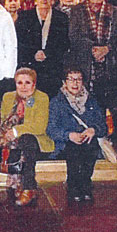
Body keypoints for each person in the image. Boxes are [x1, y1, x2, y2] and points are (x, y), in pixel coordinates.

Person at [47, 66, 107, 202]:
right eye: (71, 80)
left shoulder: (92, 101)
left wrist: (93, 130)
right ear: (64, 82)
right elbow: (51, 129)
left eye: (79, 80)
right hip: (66, 142)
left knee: (90, 147)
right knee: (74, 150)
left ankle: (85, 184)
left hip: (88, 141)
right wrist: (69, 135)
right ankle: (73, 186)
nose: (75, 83)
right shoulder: (56, 103)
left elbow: (103, 126)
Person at [0, 68, 53, 207]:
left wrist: (16, 131)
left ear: (34, 84)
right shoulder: (8, 97)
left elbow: (40, 127)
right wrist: (7, 133)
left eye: (27, 83)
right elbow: (2, 120)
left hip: (35, 140)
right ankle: (18, 183)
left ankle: (29, 187)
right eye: (19, 83)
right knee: (19, 141)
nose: (23, 87)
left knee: (26, 139)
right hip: (9, 139)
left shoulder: (42, 98)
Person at [68, 0, 117, 109]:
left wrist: (107, 49)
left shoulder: (113, 10)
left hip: (108, 64)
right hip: (84, 62)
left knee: (105, 105)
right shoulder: (77, 10)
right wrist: (93, 49)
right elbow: (74, 36)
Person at [16, 0, 69, 97]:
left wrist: (48, 53)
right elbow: (20, 42)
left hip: (52, 68)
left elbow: (64, 44)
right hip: (30, 66)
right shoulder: (25, 17)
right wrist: (34, 54)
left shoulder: (61, 18)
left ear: (53, 0)